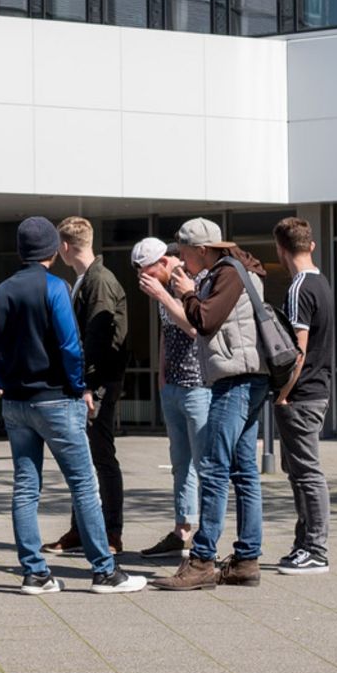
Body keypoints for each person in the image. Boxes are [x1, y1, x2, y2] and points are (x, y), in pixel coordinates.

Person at [0, 216, 146, 595]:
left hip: (17, 403)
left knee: (25, 487)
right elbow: (71, 346)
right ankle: (104, 571)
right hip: (56, 398)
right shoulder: (55, 288)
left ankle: (35, 573)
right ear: (53, 251)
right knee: (84, 485)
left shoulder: (0, 293)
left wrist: (6, 382)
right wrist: (76, 386)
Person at [139, 218, 267, 591]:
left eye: (183, 252)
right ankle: (245, 560)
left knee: (212, 466)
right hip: (245, 378)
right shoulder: (233, 270)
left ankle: (202, 560)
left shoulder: (228, 273)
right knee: (243, 471)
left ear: (200, 250)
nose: (180, 260)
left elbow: (204, 321)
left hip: (236, 380)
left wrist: (187, 292)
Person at [41, 217, 128, 556]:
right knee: (86, 458)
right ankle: (82, 529)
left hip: (99, 383)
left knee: (101, 457)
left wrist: (87, 384)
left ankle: (110, 533)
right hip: (92, 382)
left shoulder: (99, 281)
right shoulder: (85, 279)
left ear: (64, 247)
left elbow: (99, 338)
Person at [131, 237, 205, 559]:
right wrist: (161, 374)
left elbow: (193, 327)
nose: (143, 278)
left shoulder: (191, 282)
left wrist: (164, 294)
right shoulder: (160, 289)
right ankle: (182, 531)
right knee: (180, 463)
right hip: (172, 386)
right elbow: (166, 332)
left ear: (163, 262)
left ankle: (206, 537)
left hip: (198, 386)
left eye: (147, 270)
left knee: (205, 463)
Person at [272, 217, 334, 576]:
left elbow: (298, 350)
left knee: (307, 473)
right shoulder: (322, 283)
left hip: (301, 394)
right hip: (317, 390)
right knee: (298, 472)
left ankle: (316, 548)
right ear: (310, 245)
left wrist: (283, 393)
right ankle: (304, 544)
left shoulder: (299, 288)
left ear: (281, 249)